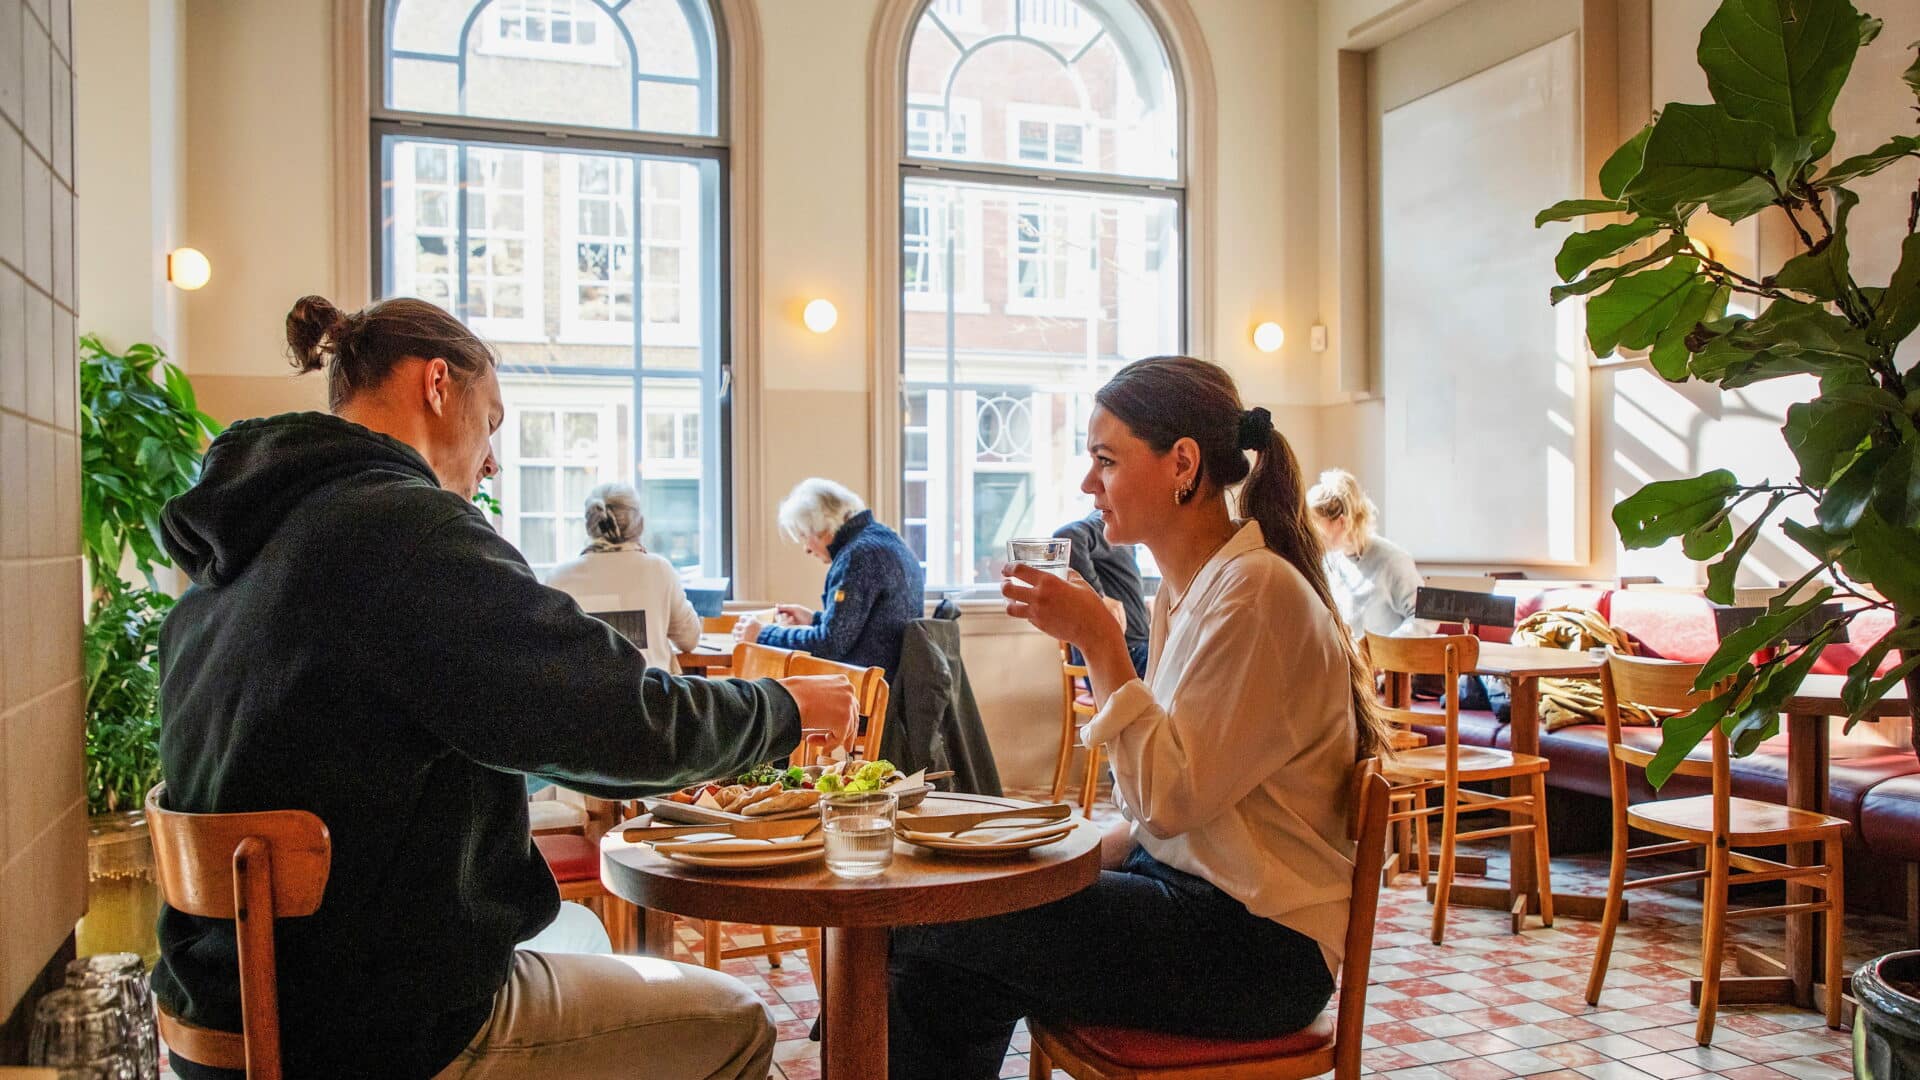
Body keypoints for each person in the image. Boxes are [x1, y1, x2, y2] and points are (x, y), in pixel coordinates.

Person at [152, 295, 858, 1080]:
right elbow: (623, 722)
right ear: (437, 385)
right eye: (492, 421)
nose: (493, 460)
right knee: (737, 1022)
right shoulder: (403, 532)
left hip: (221, 1024)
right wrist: (788, 707)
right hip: (380, 1034)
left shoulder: (237, 555)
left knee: (580, 942)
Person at [888, 356, 1393, 1079]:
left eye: (1105, 460)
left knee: (934, 923)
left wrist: (1098, 640)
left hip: (1257, 946)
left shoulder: (1254, 596)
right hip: (1194, 903)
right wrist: (1029, 858)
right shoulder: (1187, 593)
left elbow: (1170, 799)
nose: (1088, 484)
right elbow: (1153, 809)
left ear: (1182, 464)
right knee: (939, 947)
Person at [734, 478, 925, 681]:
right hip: (893, 685)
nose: (807, 549)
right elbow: (863, 627)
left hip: (866, 695)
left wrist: (763, 635)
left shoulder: (858, 557)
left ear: (822, 529)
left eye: (804, 536)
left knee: (772, 694)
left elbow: (830, 645)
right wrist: (813, 619)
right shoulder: (886, 539)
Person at [546, 482, 701, 673]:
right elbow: (689, 639)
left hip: (584, 699)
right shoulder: (659, 570)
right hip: (650, 696)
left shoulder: (558, 578)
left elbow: (549, 653)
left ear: (589, 525)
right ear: (640, 524)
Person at [1308, 468, 1427, 637]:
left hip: (1387, 661)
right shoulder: (1331, 562)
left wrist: (1386, 651)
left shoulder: (1392, 561)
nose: (1315, 536)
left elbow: (1423, 617)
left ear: (1342, 523)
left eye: (1319, 529)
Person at [1053, 509, 1150, 676]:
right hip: (1124, 654)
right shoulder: (1106, 524)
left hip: (1132, 649)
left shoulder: (1122, 535)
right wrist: (1098, 598)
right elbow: (1066, 537)